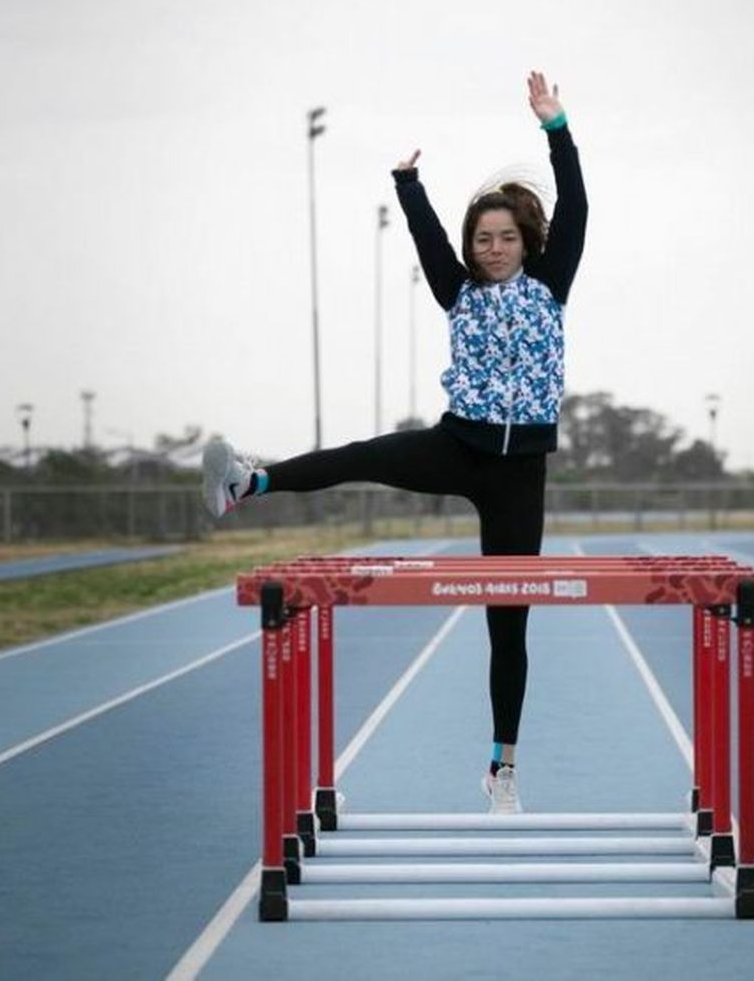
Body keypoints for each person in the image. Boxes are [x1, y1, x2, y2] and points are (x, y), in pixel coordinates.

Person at [202, 70, 586, 815]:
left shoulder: (551, 281)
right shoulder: (459, 290)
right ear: (472, 247)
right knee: (363, 455)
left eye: (507, 237)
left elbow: (578, 204)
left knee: (509, 619)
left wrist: (556, 126)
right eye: (485, 238)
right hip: (458, 444)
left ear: (527, 241)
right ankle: (248, 483)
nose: (496, 247)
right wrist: (409, 185)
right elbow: (427, 236)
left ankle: (503, 765)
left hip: (519, 472)